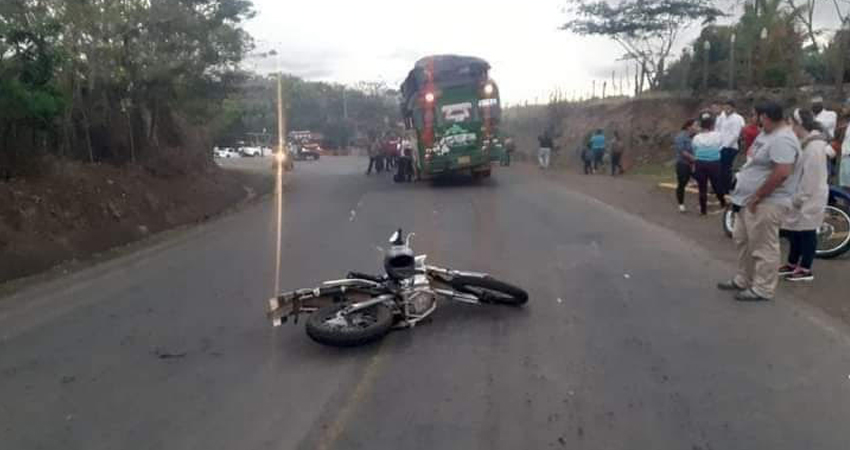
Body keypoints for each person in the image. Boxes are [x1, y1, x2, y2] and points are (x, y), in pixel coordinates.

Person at [718, 101, 801, 302]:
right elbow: (754, 163)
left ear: (765, 117)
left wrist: (758, 196)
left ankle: (763, 288)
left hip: (767, 202)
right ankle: (743, 279)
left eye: (756, 116)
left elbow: (782, 172)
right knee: (743, 240)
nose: (755, 121)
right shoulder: (767, 134)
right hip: (748, 200)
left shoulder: (783, 139)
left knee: (764, 246)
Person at [780, 109, 834, 282]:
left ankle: (805, 269)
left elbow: (812, 177)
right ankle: (791, 263)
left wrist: (800, 197)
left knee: (807, 232)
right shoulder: (806, 142)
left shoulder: (814, 146)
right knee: (794, 231)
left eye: (791, 123)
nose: (789, 127)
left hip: (810, 196)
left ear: (799, 124)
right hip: (801, 194)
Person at [691, 112, 728, 215]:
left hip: (700, 163)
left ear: (701, 126)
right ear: (712, 125)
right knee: (716, 185)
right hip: (714, 163)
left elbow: (694, 149)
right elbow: (721, 146)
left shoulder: (696, 138)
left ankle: (703, 210)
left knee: (702, 187)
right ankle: (723, 203)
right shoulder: (717, 135)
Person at [719, 100, 746, 194]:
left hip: (730, 147)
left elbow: (735, 135)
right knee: (720, 168)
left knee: (726, 168)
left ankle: (726, 189)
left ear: (733, 108)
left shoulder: (737, 119)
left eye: (729, 108)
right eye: (725, 107)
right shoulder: (722, 117)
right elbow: (718, 130)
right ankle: (720, 187)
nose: (726, 110)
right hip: (720, 145)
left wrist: (725, 146)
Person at [673, 119, 698, 212]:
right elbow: (683, 152)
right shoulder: (680, 137)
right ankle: (681, 204)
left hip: (694, 164)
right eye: (695, 125)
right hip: (683, 164)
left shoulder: (696, 137)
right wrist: (694, 159)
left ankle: (701, 204)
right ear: (689, 127)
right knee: (682, 183)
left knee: (702, 181)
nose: (697, 127)